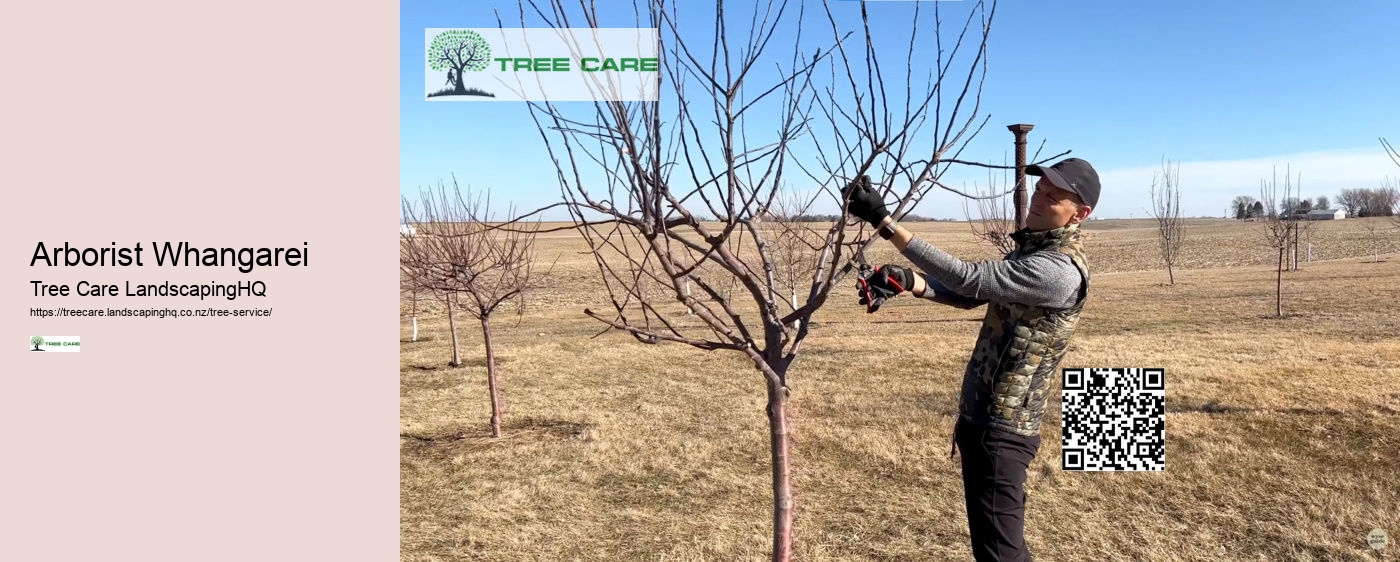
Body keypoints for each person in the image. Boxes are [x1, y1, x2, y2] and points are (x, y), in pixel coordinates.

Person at [842, 158, 1100, 562]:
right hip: (986, 423)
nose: (1038, 198)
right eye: (1039, 188)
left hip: (1002, 429)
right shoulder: (1031, 254)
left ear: (1079, 215)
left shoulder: (1058, 270)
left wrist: (884, 222)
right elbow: (969, 296)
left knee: (1001, 554)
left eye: (1053, 195)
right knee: (997, 548)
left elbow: (971, 277)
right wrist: (910, 282)